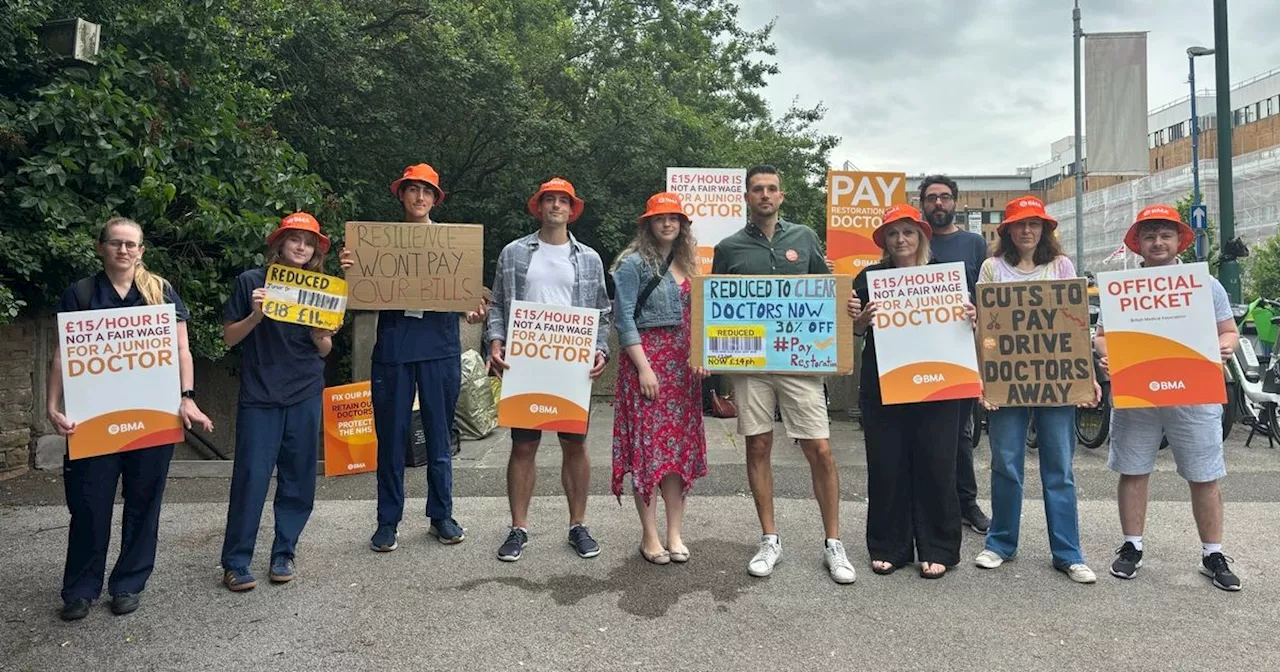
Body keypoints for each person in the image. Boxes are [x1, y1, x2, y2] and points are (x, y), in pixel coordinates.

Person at [46, 217, 215, 621]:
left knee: (144, 504)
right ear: (101, 247)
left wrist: (187, 397)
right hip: (94, 422)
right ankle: (80, 590)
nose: (123, 250)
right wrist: (52, 406)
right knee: (89, 505)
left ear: (141, 251)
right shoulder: (81, 293)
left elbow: (182, 351)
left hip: (152, 419)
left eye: (131, 244)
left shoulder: (160, 291)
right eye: (116, 243)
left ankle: (128, 583)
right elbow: (61, 355)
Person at [711, 164, 855, 584]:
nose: (765, 195)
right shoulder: (728, 247)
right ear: (746, 196)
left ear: (782, 196)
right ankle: (769, 538)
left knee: (821, 450)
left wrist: (845, 311)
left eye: (772, 189)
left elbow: (828, 294)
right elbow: (716, 305)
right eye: (757, 189)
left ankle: (833, 543)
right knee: (757, 446)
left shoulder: (805, 237)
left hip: (801, 363)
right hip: (752, 366)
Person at [338, 163, 486, 553]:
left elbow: (467, 299)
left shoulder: (454, 245)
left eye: (427, 191)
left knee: (440, 436)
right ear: (401, 195)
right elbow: (357, 295)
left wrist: (471, 310)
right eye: (412, 190)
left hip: (439, 349)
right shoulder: (376, 244)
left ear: (435, 199)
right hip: (393, 350)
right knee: (390, 438)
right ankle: (388, 520)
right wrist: (351, 273)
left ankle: (441, 515)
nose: (419, 197)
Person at [1095, 205, 1242, 591]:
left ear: (1179, 240)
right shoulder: (1122, 287)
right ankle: (1132, 546)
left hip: (1193, 392)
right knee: (1133, 468)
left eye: (1165, 234)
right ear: (1137, 244)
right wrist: (1105, 355)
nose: (1157, 242)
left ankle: (1213, 553)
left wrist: (1224, 347)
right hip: (1138, 392)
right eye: (1149, 235)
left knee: (1205, 474)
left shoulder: (1205, 285)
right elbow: (1101, 336)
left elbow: (1229, 331)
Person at [972, 196, 1100, 584]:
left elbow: (1075, 328)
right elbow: (984, 329)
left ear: (1045, 229)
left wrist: (1088, 376)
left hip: (1057, 380)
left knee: (1059, 468)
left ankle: (1068, 552)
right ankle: (1000, 543)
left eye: (1035, 223)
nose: (1027, 230)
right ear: (1007, 229)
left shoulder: (1062, 266)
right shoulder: (991, 268)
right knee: (1005, 463)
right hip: (1008, 381)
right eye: (1019, 224)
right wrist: (984, 377)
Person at [486, 177, 612, 562]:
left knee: (574, 445)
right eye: (549, 200)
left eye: (563, 201)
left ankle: (578, 525)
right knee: (523, 446)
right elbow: (497, 305)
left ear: (572, 209)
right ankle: (517, 528)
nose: (556, 206)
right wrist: (494, 341)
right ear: (538, 206)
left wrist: (601, 350)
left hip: (571, 365)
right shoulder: (513, 253)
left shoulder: (588, 258)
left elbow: (603, 313)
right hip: (527, 362)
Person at [847, 204, 972, 579]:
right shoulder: (868, 278)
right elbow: (853, 332)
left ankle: (939, 547)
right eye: (893, 234)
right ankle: (889, 545)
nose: (901, 240)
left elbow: (966, 328)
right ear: (884, 240)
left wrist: (972, 316)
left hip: (940, 384)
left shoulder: (947, 277)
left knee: (938, 464)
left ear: (922, 236)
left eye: (908, 232)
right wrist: (859, 322)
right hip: (884, 384)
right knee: (887, 465)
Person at [219, 212, 335, 591]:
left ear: (315, 250)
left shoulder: (321, 289)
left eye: (308, 242)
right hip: (260, 394)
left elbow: (324, 350)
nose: (301, 247)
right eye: (294, 239)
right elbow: (229, 339)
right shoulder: (251, 282)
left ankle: (284, 551)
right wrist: (255, 316)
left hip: (304, 391)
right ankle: (236, 561)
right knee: (251, 477)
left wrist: (321, 333)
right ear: (279, 244)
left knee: (299, 478)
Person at [611, 192, 709, 564]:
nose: (668, 224)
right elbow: (624, 320)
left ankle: (674, 533)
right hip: (647, 369)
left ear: (682, 225)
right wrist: (644, 368)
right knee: (649, 453)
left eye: (674, 218)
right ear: (648, 224)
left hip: (683, 373)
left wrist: (701, 356)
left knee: (677, 456)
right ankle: (649, 536)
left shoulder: (691, 265)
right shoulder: (632, 264)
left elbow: (701, 319)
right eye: (660, 218)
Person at [918, 175, 990, 534]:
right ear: (923, 205)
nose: (939, 204)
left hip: (960, 351)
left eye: (945, 197)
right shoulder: (913, 242)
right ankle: (932, 502)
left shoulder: (974, 244)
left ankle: (967, 502)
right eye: (932, 198)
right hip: (917, 352)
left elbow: (987, 297)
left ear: (956, 202)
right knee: (923, 431)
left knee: (962, 433)